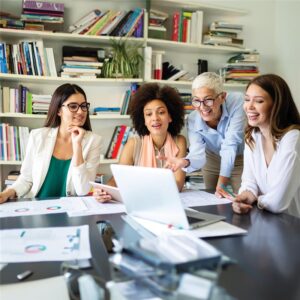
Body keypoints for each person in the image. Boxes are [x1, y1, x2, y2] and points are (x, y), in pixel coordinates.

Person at [0, 83, 102, 203]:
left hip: (72, 210)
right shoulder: (38, 136)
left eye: (84, 106)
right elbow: (26, 179)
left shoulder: (94, 141)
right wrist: (7, 193)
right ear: (59, 110)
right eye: (73, 106)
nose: (80, 111)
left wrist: (77, 145)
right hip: (38, 207)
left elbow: (82, 190)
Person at [94, 83, 186, 201]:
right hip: (140, 201)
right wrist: (104, 191)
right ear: (144, 121)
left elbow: (178, 184)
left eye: (161, 112)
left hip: (169, 202)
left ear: (170, 117)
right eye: (148, 114)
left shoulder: (179, 141)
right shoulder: (133, 144)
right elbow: (117, 179)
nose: (155, 118)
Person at [160, 72, 245, 196]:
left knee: (243, 199)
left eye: (208, 100)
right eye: (196, 101)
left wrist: (222, 183)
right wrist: (185, 162)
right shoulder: (193, 119)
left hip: (240, 158)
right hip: (212, 159)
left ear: (222, 97)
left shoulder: (237, 102)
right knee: (213, 200)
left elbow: (231, 143)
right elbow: (197, 152)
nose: (202, 107)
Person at [232, 74, 300, 218]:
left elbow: (278, 203)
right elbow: (249, 181)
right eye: (246, 99)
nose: (249, 106)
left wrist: (255, 199)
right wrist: (245, 196)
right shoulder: (252, 137)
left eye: (259, 101)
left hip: (292, 226)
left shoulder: (293, 138)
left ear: (277, 105)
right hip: (266, 220)